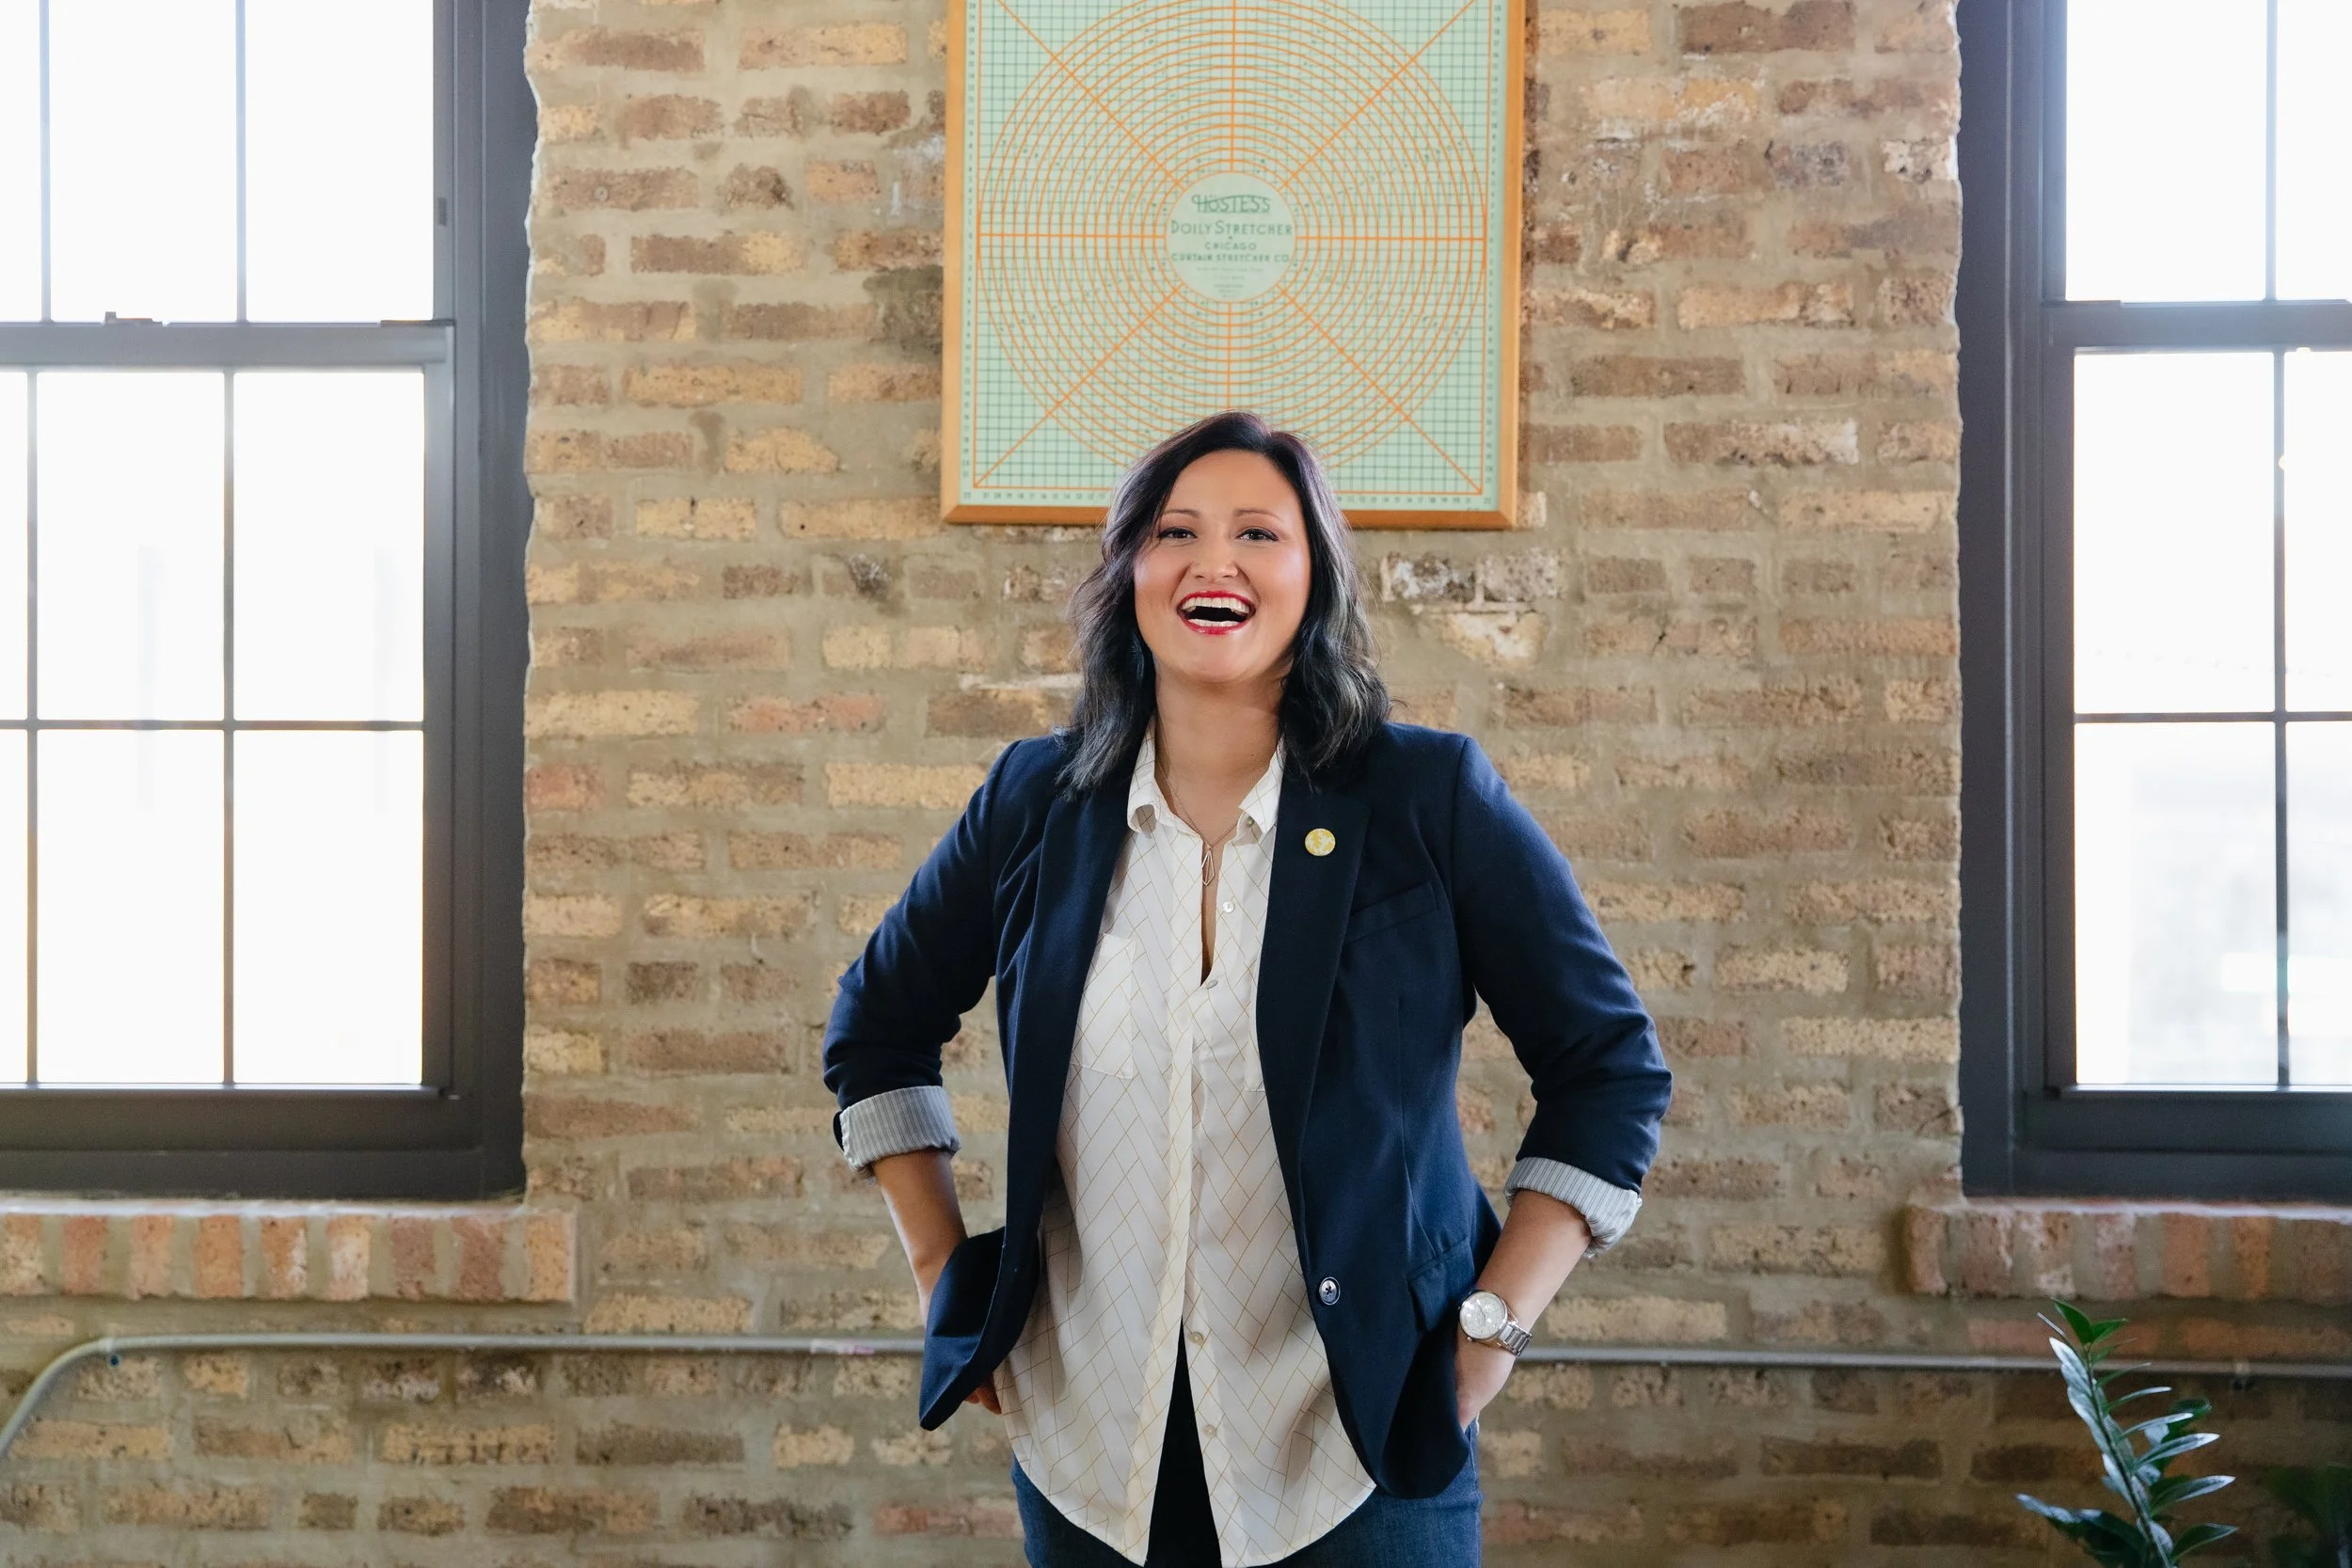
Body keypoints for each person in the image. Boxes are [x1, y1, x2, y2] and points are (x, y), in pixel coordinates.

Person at [821, 412, 1672, 1567]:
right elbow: (876, 1029)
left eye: (1258, 532)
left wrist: (1490, 1333)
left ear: (1313, 576)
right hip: (1091, 1458)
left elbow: (1607, 1070)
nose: (1212, 561)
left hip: (1359, 1444)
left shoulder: (1429, 797)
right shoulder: (1034, 801)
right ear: (1130, 572)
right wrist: (943, 1278)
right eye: (1175, 531)